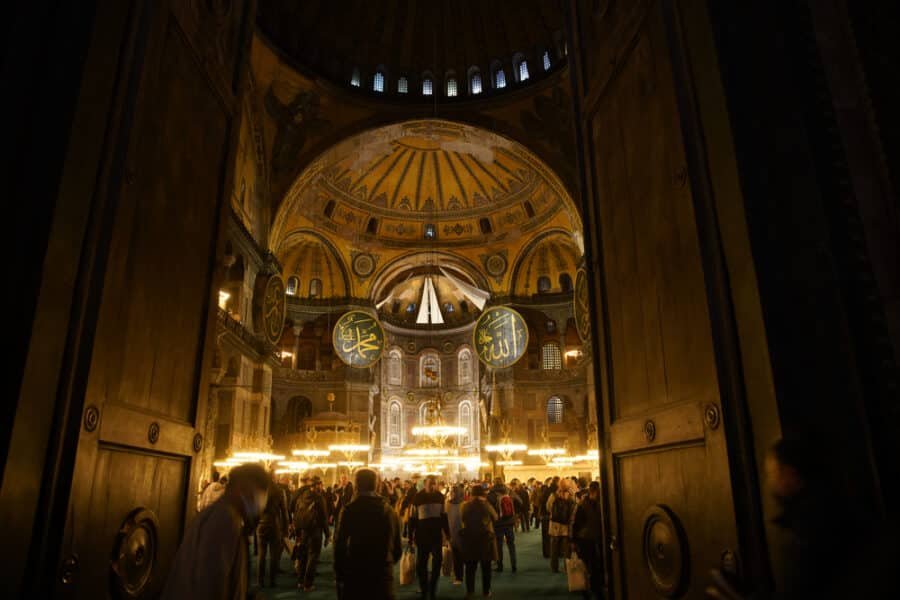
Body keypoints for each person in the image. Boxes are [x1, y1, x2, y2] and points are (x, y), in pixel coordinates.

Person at [161, 463, 269, 600]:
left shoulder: (226, 515)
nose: (261, 502)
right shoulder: (224, 520)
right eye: (260, 493)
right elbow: (209, 584)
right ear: (245, 489)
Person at [334, 468, 403, 600]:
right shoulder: (388, 511)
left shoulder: (349, 510)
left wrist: (340, 574)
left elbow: (339, 547)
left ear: (356, 485)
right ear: (376, 485)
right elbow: (397, 549)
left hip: (355, 574)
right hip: (381, 575)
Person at [409, 475, 451, 599]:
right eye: (430, 484)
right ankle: (424, 589)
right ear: (425, 484)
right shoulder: (417, 497)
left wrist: (448, 534)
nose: (432, 486)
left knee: (437, 562)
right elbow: (412, 519)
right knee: (421, 564)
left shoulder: (440, 497)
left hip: (436, 535)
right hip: (422, 535)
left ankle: (432, 587)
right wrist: (411, 537)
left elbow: (443, 517)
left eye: (434, 484)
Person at [292, 474, 330, 592]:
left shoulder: (302, 496)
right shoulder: (319, 498)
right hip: (315, 531)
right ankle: (308, 584)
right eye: (321, 484)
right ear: (317, 485)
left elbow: (297, 514)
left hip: (303, 530)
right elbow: (324, 518)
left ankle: (300, 581)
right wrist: (327, 534)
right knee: (313, 556)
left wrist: (297, 532)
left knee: (303, 556)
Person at [460, 484, 499, 599]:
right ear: (483, 493)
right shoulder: (486, 505)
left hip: (470, 539)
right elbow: (496, 517)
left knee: (470, 568)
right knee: (486, 568)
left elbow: (462, 518)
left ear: (471, 493)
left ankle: (470, 591)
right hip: (484, 539)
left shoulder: (465, 506)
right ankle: (486, 592)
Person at [571, 481, 603, 598]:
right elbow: (574, 524)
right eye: (598, 493)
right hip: (584, 539)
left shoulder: (599, 503)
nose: (599, 496)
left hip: (596, 538)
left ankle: (596, 588)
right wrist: (573, 541)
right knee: (585, 566)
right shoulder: (581, 505)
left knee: (595, 566)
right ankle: (584, 590)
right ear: (592, 492)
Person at [256, 474, 288, 587]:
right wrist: (286, 529)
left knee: (261, 555)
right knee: (274, 555)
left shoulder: (259, 490)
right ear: (274, 478)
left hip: (261, 525)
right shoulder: (280, 491)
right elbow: (284, 512)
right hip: (274, 525)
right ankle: (272, 581)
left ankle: (260, 581)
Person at [487, 477, 519, 572]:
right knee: (511, 544)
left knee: (499, 545)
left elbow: (488, 509)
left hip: (498, 523)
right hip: (509, 522)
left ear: (493, 482)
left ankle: (500, 565)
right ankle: (514, 565)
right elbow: (519, 501)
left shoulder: (491, 494)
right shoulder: (508, 491)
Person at [547, 482, 575, 573]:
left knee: (554, 549)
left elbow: (548, 507)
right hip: (565, 527)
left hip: (554, 526)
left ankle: (554, 567)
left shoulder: (553, 496)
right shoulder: (570, 496)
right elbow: (574, 510)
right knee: (566, 549)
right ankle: (567, 568)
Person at [445, 483, 466, 585]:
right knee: (456, 556)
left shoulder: (464, 505)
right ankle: (458, 576)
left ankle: (459, 576)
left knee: (459, 556)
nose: (451, 494)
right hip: (453, 533)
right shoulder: (447, 504)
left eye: (453, 492)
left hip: (460, 533)